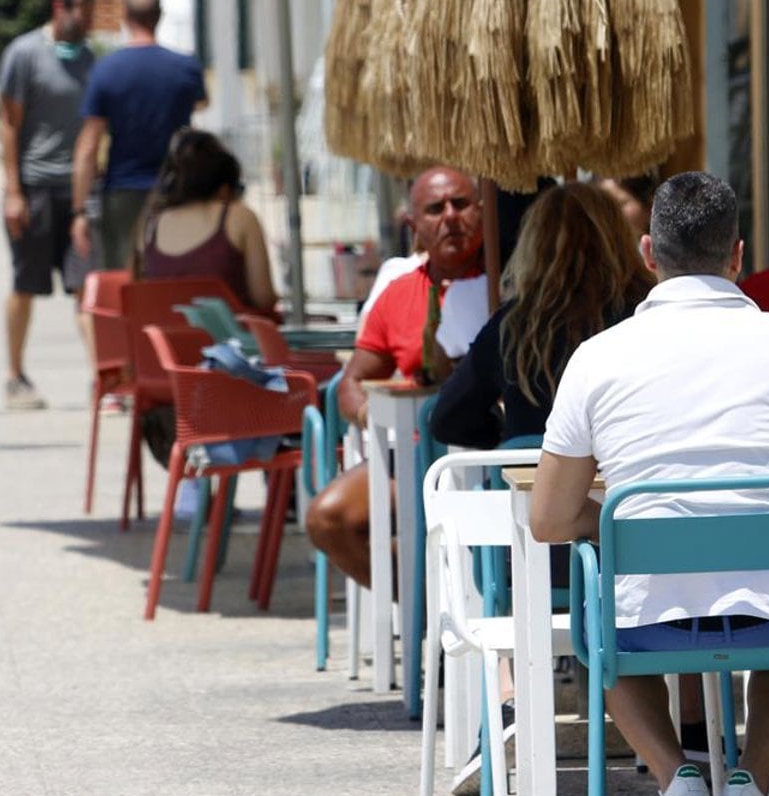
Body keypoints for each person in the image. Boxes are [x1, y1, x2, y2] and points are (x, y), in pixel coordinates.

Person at [532, 172, 769, 796]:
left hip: (648, 618)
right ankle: (751, 783)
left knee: (603, 644)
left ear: (646, 253)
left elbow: (548, 519)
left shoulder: (596, 358)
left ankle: (678, 780)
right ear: (737, 255)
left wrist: (610, 515)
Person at [303, 166, 490, 589]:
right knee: (326, 519)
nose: (450, 217)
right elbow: (351, 382)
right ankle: (425, 608)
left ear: (481, 211)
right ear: (414, 225)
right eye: (435, 209)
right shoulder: (399, 290)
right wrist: (372, 414)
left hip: (487, 456)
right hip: (411, 456)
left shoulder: (510, 282)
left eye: (460, 204)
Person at [430, 181, 651, 450]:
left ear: (534, 245)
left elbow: (447, 419)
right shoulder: (647, 311)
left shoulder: (515, 324)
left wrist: (508, 438)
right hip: (628, 480)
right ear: (618, 237)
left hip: (532, 483)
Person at [0, 0, 96, 411]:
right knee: (25, 285)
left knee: (86, 288)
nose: (91, 17)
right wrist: (13, 191)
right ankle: (15, 376)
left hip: (78, 196)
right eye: (84, 8)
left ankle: (103, 379)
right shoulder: (23, 54)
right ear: (60, 8)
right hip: (35, 187)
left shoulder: (91, 59)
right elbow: (8, 124)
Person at [70, 0, 207, 269]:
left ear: (125, 15)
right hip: (176, 188)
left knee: (124, 282)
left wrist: (80, 210)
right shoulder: (186, 67)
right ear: (160, 16)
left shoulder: (106, 70)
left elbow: (88, 146)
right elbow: (201, 104)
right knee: (175, 274)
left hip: (123, 191)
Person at [136, 128, 277, 313]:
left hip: (168, 339)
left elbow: (140, 291)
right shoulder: (240, 217)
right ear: (225, 186)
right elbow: (263, 297)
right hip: (232, 338)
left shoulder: (151, 225)